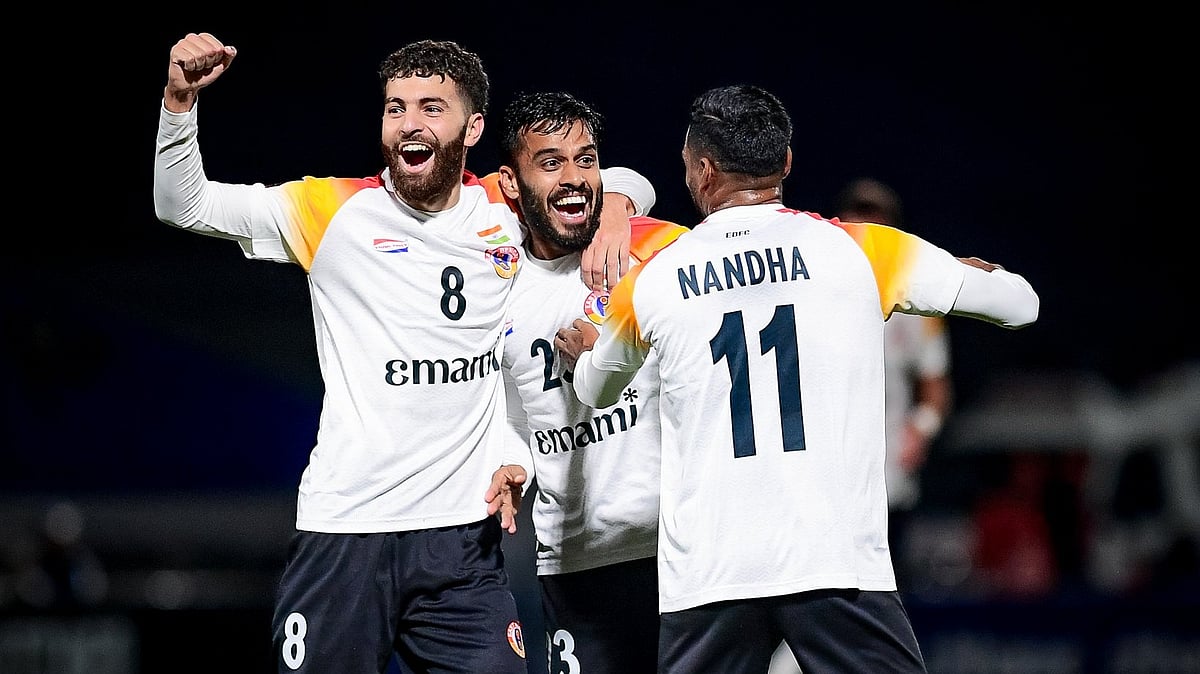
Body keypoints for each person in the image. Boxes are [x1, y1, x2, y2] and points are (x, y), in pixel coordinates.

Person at [153, 32, 651, 673]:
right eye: (396, 108)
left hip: (461, 545)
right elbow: (182, 204)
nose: (409, 123)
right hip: (345, 531)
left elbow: (605, 181)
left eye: (430, 108)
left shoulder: (501, 210)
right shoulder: (331, 211)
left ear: (472, 128)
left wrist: (615, 209)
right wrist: (178, 102)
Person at [556, 84, 1039, 673]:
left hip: (710, 572)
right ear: (785, 164)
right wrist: (962, 271)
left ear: (702, 170)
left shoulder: (655, 279)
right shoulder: (858, 250)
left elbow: (594, 392)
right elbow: (1022, 305)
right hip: (833, 560)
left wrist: (585, 353)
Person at [481, 90, 688, 673]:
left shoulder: (643, 251)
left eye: (587, 159)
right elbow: (512, 413)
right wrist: (511, 459)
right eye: (550, 163)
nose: (574, 178)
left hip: (679, 548)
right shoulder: (495, 286)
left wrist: (620, 204)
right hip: (573, 562)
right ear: (511, 182)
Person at [835, 177, 954, 581]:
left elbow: (936, 384)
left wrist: (921, 430)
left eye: (877, 220)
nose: (867, 229)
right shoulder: (817, 286)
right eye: (858, 217)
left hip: (888, 473)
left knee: (881, 585)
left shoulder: (916, 300)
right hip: (826, 467)